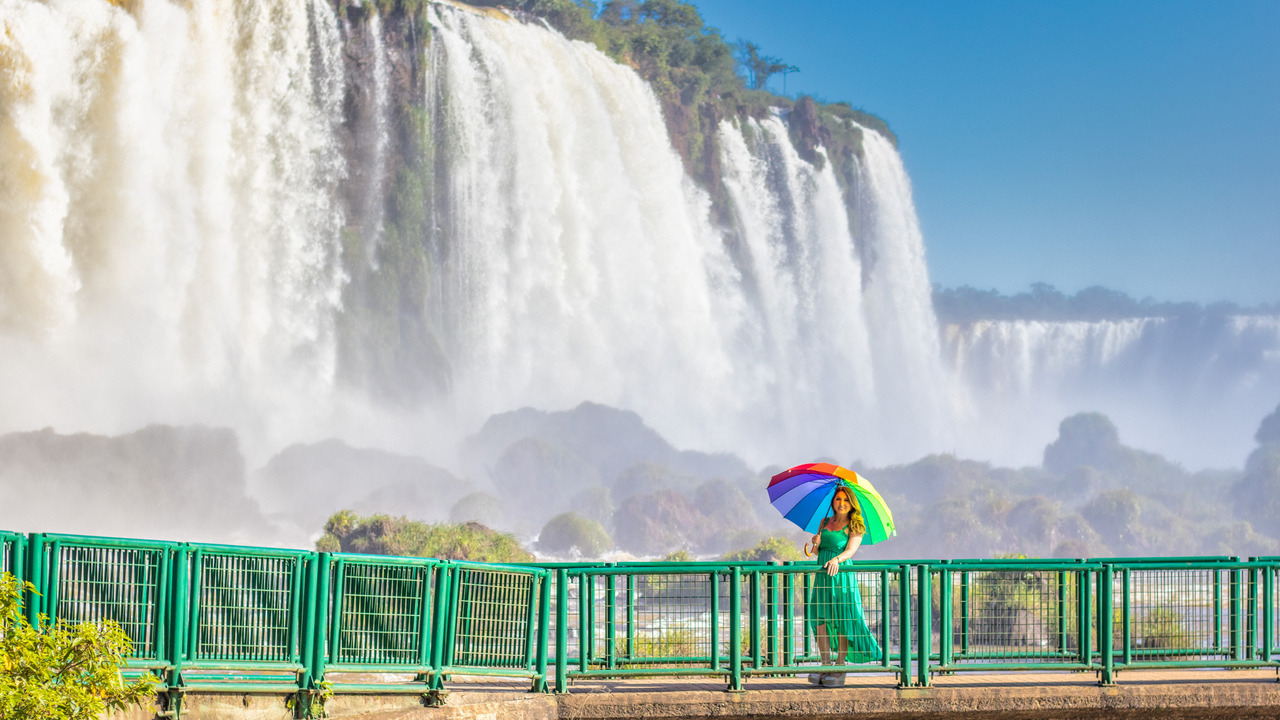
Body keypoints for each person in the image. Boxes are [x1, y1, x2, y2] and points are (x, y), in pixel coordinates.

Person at [804, 485, 881, 687]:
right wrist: (816, 542)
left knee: (842, 619)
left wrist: (837, 559)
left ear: (851, 503)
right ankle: (825, 664)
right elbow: (815, 553)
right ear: (833, 502)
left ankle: (840, 666)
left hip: (841, 575)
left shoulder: (855, 524)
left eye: (846, 500)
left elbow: (850, 550)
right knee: (819, 617)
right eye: (838, 499)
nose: (842, 504)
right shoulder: (824, 522)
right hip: (823, 575)